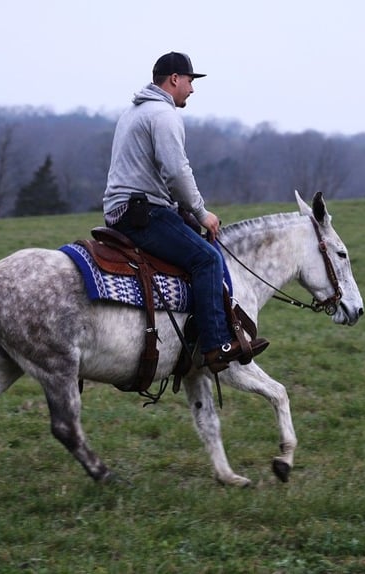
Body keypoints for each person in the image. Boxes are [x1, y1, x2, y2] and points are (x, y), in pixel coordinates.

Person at [102, 51, 268, 373]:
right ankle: (215, 345)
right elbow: (176, 172)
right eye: (190, 81)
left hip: (126, 209)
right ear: (174, 79)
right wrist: (202, 213)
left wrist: (182, 211)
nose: (192, 89)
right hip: (143, 213)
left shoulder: (134, 111)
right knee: (207, 258)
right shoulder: (164, 115)